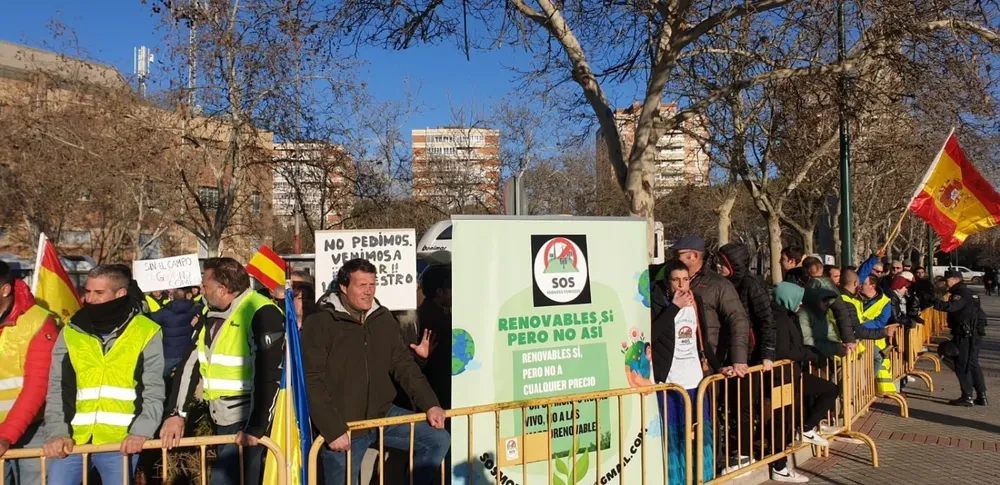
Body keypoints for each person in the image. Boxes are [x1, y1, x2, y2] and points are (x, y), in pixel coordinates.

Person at [302, 258, 449, 485]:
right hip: (344, 425)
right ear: (343, 287)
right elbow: (311, 380)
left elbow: (404, 366)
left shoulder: (383, 319)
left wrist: (430, 403)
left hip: (383, 415)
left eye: (372, 285)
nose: (368, 292)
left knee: (438, 440)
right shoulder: (320, 323)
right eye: (362, 285)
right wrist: (332, 428)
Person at [161, 258, 285, 485]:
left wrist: (255, 426)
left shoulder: (262, 312)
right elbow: (190, 363)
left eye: (205, 286)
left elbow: (269, 374)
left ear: (223, 289)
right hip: (219, 416)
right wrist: (176, 413)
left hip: (246, 420)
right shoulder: (208, 312)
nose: (201, 290)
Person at [43, 265, 165, 485]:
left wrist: (142, 431)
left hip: (121, 443)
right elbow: (57, 387)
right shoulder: (70, 330)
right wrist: (57, 432)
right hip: (71, 441)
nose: (90, 298)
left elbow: (153, 388)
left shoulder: (147, 330)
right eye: (88, 291)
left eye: (99, 293)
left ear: (120, 294)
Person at [650, 259, 720, 484]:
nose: (682, 285)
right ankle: (678, 480)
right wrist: (674, 307)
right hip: (670, 383)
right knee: (675, 436)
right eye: (676, 280)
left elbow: (703, 341)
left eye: (686, 280)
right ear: (667, 282)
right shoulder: (658, 303)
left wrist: (720, 366)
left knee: (700, 435)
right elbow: (652, 335)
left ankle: (702, 477)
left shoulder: (696, 301)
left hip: (696, 382)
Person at [770, 283, 840, 483]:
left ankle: (807, 427)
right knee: (783, 420)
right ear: (788, 299)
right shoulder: (780, 319)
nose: (801, 303)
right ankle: (780, 466)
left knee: (829, 390)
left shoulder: (787, 315)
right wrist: (810, 354)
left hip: (792, 374)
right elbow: (784, 351)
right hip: (783, 376)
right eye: (798, 298)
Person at [0, 262, 58, 485]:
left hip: (32, 430)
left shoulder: (39, 322)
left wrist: (6, 435)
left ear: (5, 290)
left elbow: (37, 387)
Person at [935, 269, 987, 407]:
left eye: (947, 281)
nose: (946, 284)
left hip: (965, 334)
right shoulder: (969, 293)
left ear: (955, 280)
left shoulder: (961, 294)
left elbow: (952, 307)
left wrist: (934, 302)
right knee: (972, 363)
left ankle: (967, 396)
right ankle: (981, 395)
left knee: (962, 364)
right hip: (972, 333)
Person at [149, 289, 202, 380]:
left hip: (169, 353)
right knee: (182, 379)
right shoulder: (192, 309)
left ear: (172, 297)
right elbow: (202, 310)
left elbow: (150, 319)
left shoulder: (165, 312)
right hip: (185, 351)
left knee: (160, 379)